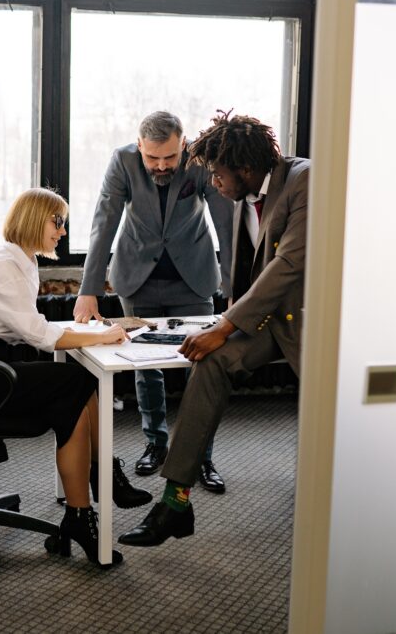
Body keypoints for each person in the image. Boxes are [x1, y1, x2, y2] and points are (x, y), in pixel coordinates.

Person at [119, 110, 310, 547]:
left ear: (244, 168)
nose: (213, 184)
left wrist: (225, 325)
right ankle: (175, 502)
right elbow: (246, 268)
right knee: (212, 363)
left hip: (310, 321)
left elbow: (288, 264)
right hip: (267, 318)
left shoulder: (302, 180)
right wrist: (223, 324)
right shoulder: (245, 194)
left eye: (217, 175)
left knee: (341, 427)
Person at [0, 187, 153, 568]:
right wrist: (99, 335)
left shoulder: (22, 262)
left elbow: (32, 328)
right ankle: (104, 477)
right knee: (75, 381)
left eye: (63, 223)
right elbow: (37, 335)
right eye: (57, 221)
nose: (62, 231)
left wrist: (93, 332)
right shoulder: (3, 267)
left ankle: (79, 515)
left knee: (67, 396)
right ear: (33, 219)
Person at [73, 111, 234, 492]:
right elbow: (104, 223)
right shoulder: (123, 162)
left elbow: (226, 225)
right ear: (139, 146)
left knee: (203, 369)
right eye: (152, 158)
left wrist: (235, 286)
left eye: (169, 158)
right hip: (137, 280)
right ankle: (156, 444)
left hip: (193, 279)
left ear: (183, 145)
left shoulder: (200, 160)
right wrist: (88, 287)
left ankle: (201, 455)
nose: (161, 166)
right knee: (145, 366)